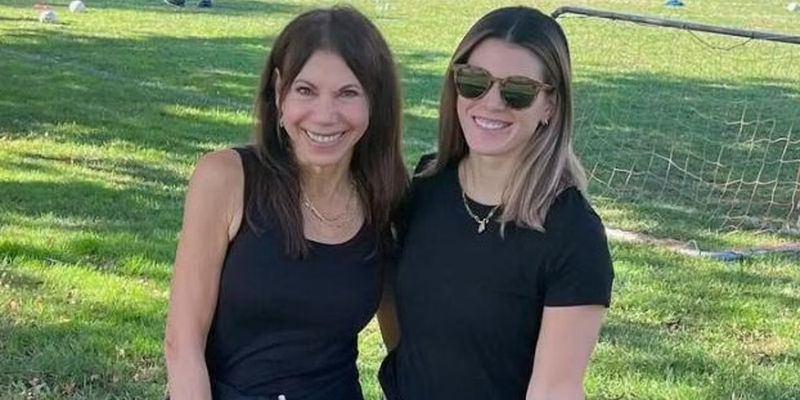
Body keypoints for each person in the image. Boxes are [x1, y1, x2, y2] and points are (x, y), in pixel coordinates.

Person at [164, 6, 408, 400]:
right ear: (279, 93)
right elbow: (182, 342)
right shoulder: (225, 178)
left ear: (374, 103)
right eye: (306, 90)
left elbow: (403, 350)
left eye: (348, 93)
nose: (324, 115)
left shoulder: (386, 199)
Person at [378, 6, 614, 400]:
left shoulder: (573, 234)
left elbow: (555, 389)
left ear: (550, 105)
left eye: (517, 91)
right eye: (474, 82)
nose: (491, 103)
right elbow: (398, 310)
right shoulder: (425, 186)